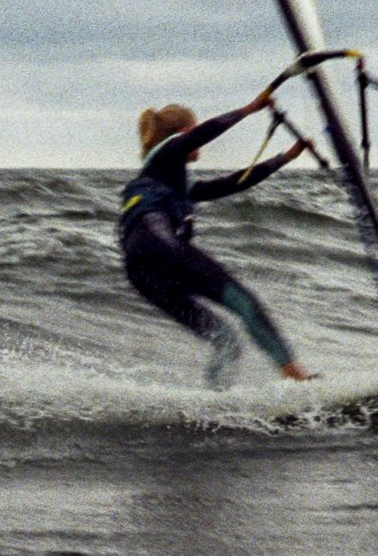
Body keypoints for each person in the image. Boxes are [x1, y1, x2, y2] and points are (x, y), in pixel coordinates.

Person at [119, 90, 315, 386]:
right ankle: (298, 379)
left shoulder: (173, 182)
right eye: (193, 131)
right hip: (158, 242)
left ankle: (213, 401)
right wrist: (249, 109)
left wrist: (285, 157)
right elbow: (200, 137)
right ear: (185, 131)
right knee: (244, 302)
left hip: (141, 271)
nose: (198, 144)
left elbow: (231, 183)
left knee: (226, 340)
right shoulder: (167, 153)